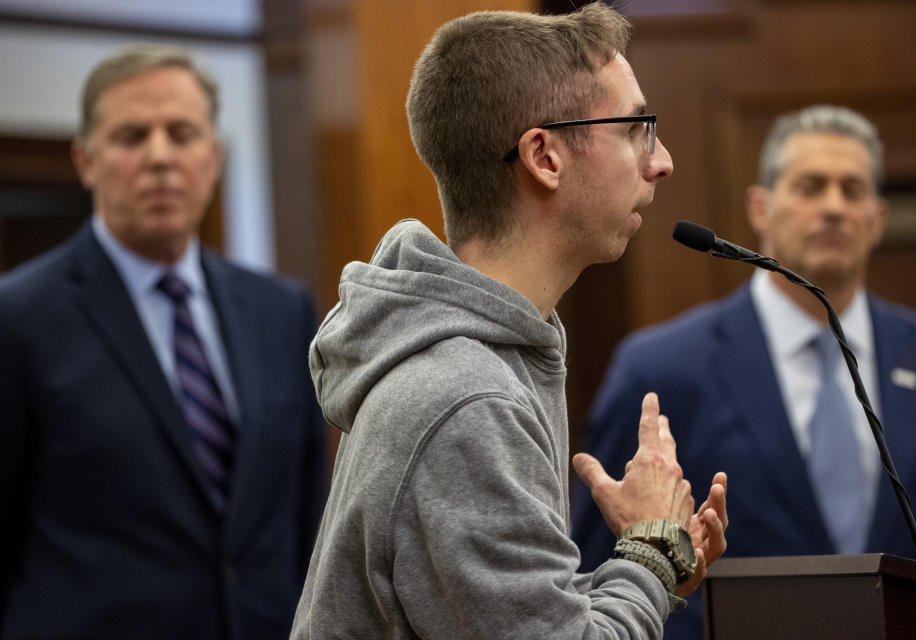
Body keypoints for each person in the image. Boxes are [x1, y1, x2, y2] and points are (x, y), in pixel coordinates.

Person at [290, 5, 728, 639]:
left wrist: (649, 566)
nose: (661, 162)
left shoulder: (493, 359)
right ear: (544, 156)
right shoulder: (467, 398)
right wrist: (650, 553)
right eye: (637, 127)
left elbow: (500, 617)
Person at [572, 104, 916, 639]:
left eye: (852, 189)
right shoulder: (662, 368)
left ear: (878, 219)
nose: (833, 207)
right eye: (810, 186)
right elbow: (597, 574)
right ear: (760, 208)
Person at [0, 43, 326, 639]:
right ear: (86, 160)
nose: (159, 157)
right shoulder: (17, 317)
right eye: (131, 136)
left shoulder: (282, 311)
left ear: (215, 154)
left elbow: (308, 516)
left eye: (181, 133)